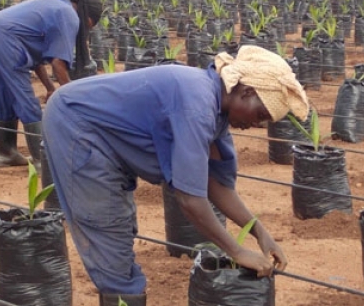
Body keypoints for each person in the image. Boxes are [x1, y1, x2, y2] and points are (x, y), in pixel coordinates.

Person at [42, 45, 309, 305]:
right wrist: (237, 251)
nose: (257, 124)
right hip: (76, 124)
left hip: (104, 135)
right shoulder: (197, 105)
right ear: (246, 91)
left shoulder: (217, 112)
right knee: (109, 232)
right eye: (260, 114)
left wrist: (259, 232)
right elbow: (190, 199)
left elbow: (215, 183)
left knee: (119, 227)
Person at [0, 0, 102, 170]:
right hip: (2, 36)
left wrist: (50, 87)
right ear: (85, 15)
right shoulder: (69, 16)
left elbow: (36, 58)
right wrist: (72, 97)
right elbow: (58, 64)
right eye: (89, 26)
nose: (86, 30)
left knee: (3, 95)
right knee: (25, 99)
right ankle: (42, 160)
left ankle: (5, 153)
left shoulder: (55, 7)